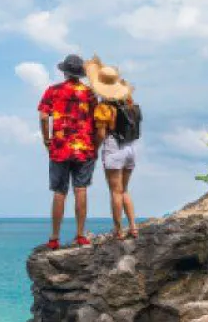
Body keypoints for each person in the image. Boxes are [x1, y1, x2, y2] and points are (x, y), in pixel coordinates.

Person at [38, 54, 97, 249]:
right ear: (80, 73)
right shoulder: (89, 94)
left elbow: (44, 117)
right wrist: (94, 144)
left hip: (60, 147)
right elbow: (96, 120)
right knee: (81, 189)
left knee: (59, 192)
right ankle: (80, 235)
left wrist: (47, 138)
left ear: (64, 72)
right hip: (84, 148)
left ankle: (54, 238)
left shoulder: (53, 91)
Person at [87, 57, 141, 240]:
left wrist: (94, 150)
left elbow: (101, 134)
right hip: (131, 146)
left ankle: (118, 231)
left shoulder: (104, 107)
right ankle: (133, 227)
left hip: (114, 147)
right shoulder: (129, 102)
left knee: (115, 191)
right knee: (125, 189)